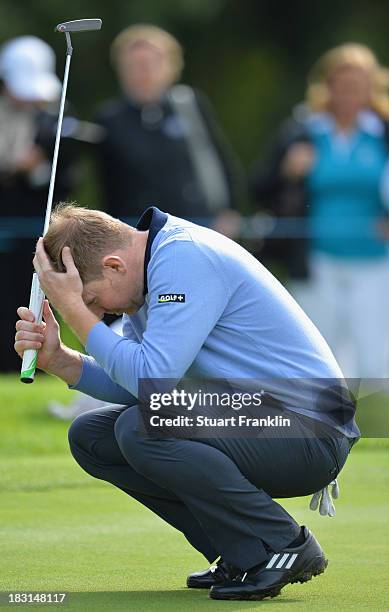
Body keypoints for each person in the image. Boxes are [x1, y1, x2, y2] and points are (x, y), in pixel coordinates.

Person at [14, 204, 360, 601]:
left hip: (310, 432)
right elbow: (139, 384)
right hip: (265, 421)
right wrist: (62, 360)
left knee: (139, 429)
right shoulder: (153, 269)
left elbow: (151, 382)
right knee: (92, 435)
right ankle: (243, 552)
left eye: (92, 298)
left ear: (113, 266)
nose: (96, 312)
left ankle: (281, 544)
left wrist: (74, 311)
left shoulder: (183, 258)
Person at [250, 43, 389, 379]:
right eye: (340, 85)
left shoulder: (383, 133)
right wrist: (289, 171)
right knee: (318, 359)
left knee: (375, 362)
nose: (348, 94)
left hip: (375, 262)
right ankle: (322, 430)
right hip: (316, 262)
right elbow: (258, 187)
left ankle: (377, 428)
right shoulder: (303, 131)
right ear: (326, 87)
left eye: (356, 85)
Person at [94, 24, 242, 232]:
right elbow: (107, 184)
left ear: (171, 66)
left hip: (198, 228)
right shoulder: (109, 118)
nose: (144, 71)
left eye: (152, 63)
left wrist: (230, 211)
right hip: (137, 235)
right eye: (135, 64)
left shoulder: (190, 105)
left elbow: (222, 160)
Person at [0, 35, 80, 371]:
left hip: (36, 229)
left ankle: (33, 362)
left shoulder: (57, 116)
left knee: (30, 297)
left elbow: (67, 177)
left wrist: (36, 169)